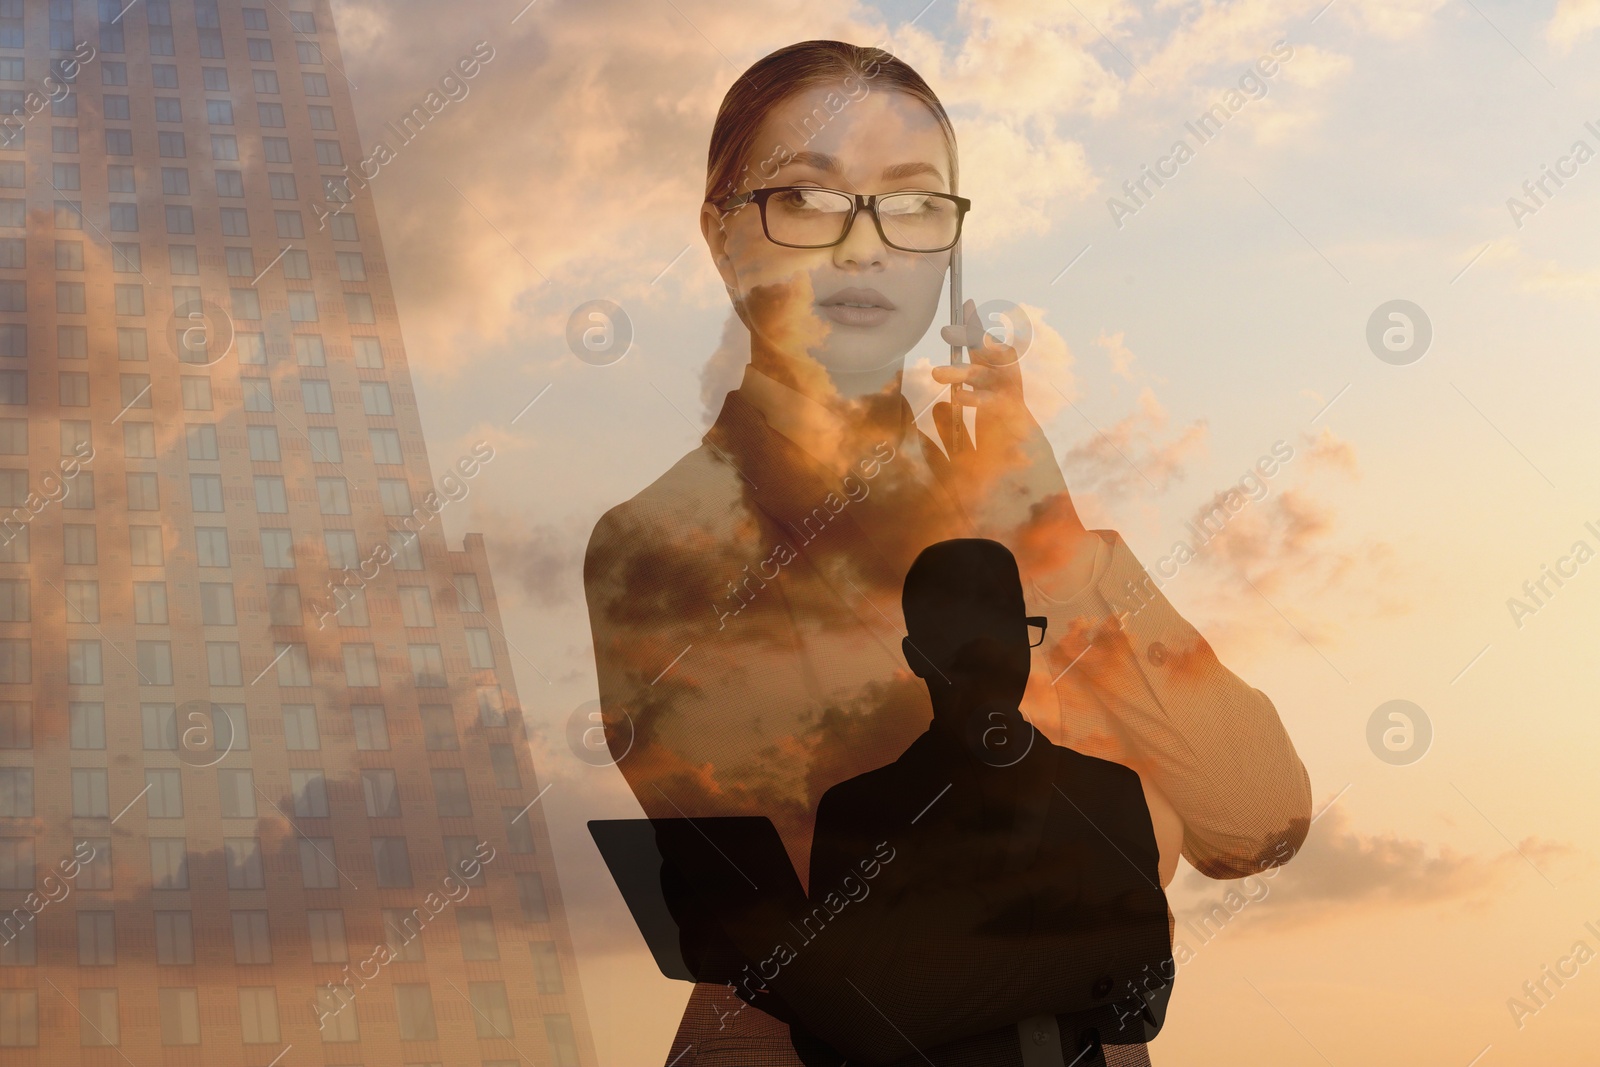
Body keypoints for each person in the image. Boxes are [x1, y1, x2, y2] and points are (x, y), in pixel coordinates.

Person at [584, 39, 1312, 1067]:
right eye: (806, 197)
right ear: (722, 235)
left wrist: (1055, 544)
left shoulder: (1008, 521)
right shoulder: (660, 543)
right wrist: (1122, 890)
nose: (865, 246)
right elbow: (838, 950)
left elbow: (1255, 818)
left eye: (913, 202)